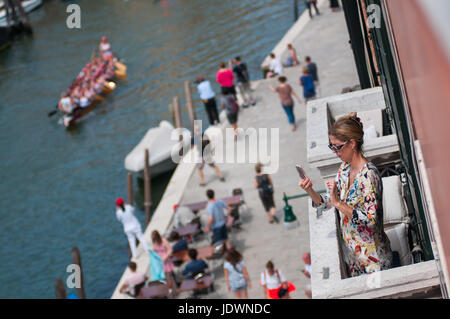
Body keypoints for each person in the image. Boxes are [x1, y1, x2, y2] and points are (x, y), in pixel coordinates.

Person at [298, 112, 393, 277]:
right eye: (332, 147)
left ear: (352, 144)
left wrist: (339, 204)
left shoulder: (369, 175)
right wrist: (310, 190)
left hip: (374, 262)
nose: (335, 152)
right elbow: (329, 202)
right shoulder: (344, 168)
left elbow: (371, 220)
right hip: (355, 257)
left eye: (338, 147)